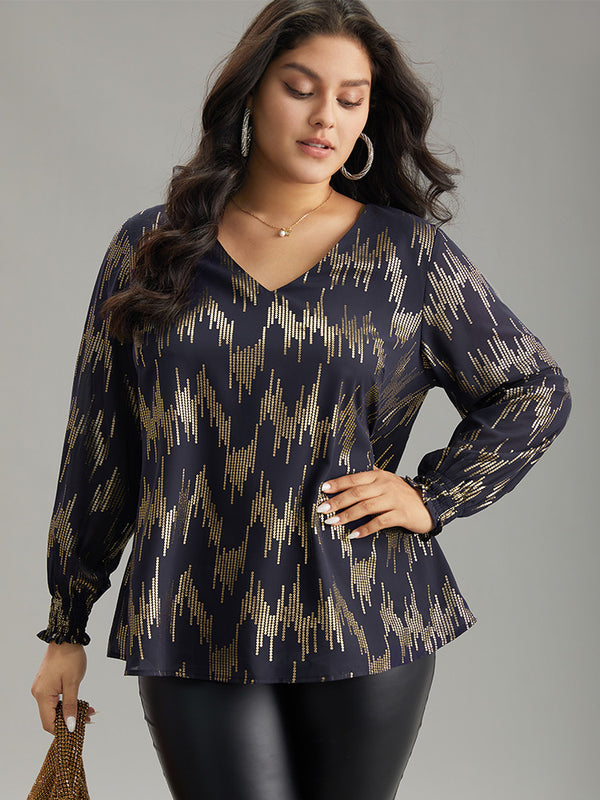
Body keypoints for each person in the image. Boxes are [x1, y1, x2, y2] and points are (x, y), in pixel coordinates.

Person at [31, 1, 572, 798]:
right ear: (251, 92)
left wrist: (432, 498)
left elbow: (533, 389)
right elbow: (100, 443)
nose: (327, 117)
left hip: (363, 613)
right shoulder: (152, 249)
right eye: (301, 88)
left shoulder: (407, 256)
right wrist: (66, 625)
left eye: (351, 99)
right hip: (193, 611)